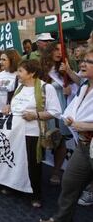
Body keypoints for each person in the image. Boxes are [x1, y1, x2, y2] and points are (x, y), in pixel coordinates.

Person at [39, 47, 93, 222]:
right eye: (83, 60)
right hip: (84, 146)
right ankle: (62, 219)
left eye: (89, 61)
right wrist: (72, 119)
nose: (83, 64)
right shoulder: (85, 85)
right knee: (69, 182)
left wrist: (85, 126)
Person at [3, 59, 61, 208]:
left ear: (32, 73)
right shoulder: (19, 88)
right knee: (16, 161)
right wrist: (8, 107)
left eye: (21, 71)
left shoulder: (46, 88)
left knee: (33, 164)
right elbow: (15, 105)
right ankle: (15, 186)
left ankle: (36, 194)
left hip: (33, 133)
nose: (17, 74)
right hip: (16, 133)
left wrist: (35, 115)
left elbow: (55, 112)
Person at [40, 42, 80, 185]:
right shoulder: (41, 68)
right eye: (56, 49)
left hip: (61, 108)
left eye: (61, 50)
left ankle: (56, 172)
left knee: (60, 141)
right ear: (49, 51)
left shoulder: (65, 69)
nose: (59, 52)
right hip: (44, 109)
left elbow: (80, 88)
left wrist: (70, 89)